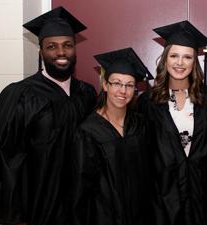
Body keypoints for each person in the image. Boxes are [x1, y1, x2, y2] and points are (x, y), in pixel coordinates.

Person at [0, 6, 97, 225]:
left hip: (82, 208)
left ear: (75, 49)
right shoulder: (20, 95)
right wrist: (13, 216)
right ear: (40, 51)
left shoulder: (87, 93)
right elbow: (7, 159)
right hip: (38, 207)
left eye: (67, 45)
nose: (61, 53)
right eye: (52, 46)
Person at [137, 20, 207, 225]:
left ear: (195, 61)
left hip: (201, 196)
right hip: (163, 199)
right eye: (174, 56)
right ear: (165, 59)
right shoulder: (148, 102)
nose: (180, 63)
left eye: (187, 57)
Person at [69, 47, 154, 225]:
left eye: (129, 85)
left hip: (140, 216)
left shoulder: (140, 124)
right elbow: (80, 189)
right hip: (103, 217)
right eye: (116, 83)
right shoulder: (88, 131)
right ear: (105, 85)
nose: (123, 91)